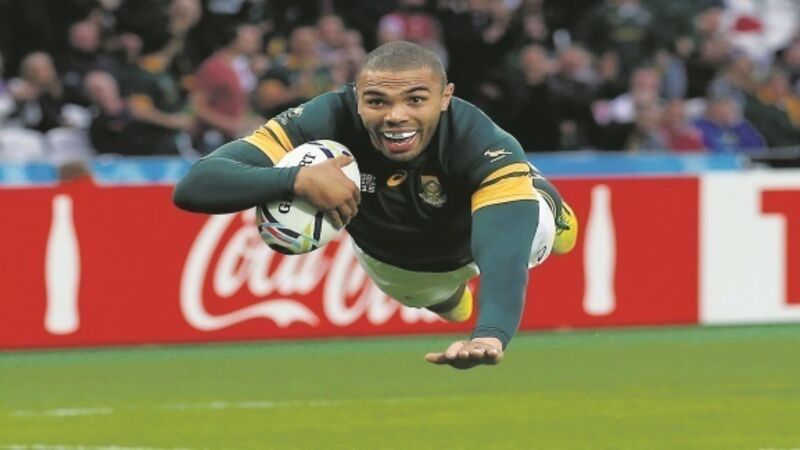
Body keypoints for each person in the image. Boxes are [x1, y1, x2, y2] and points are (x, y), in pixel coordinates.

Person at [173, 41, 578, 369]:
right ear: (356, 98)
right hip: (394, 259)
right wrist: (296, 178)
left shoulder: (481, 142)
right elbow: (196, 185)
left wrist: (490, 334)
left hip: (477, 234)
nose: (396, 116)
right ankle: (451, 297)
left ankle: (548, 202)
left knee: (537, 232)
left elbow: (502, 258)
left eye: (415, 100)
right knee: (450, 306)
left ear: (445, 97)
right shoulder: (327, 117)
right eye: (377, 102)